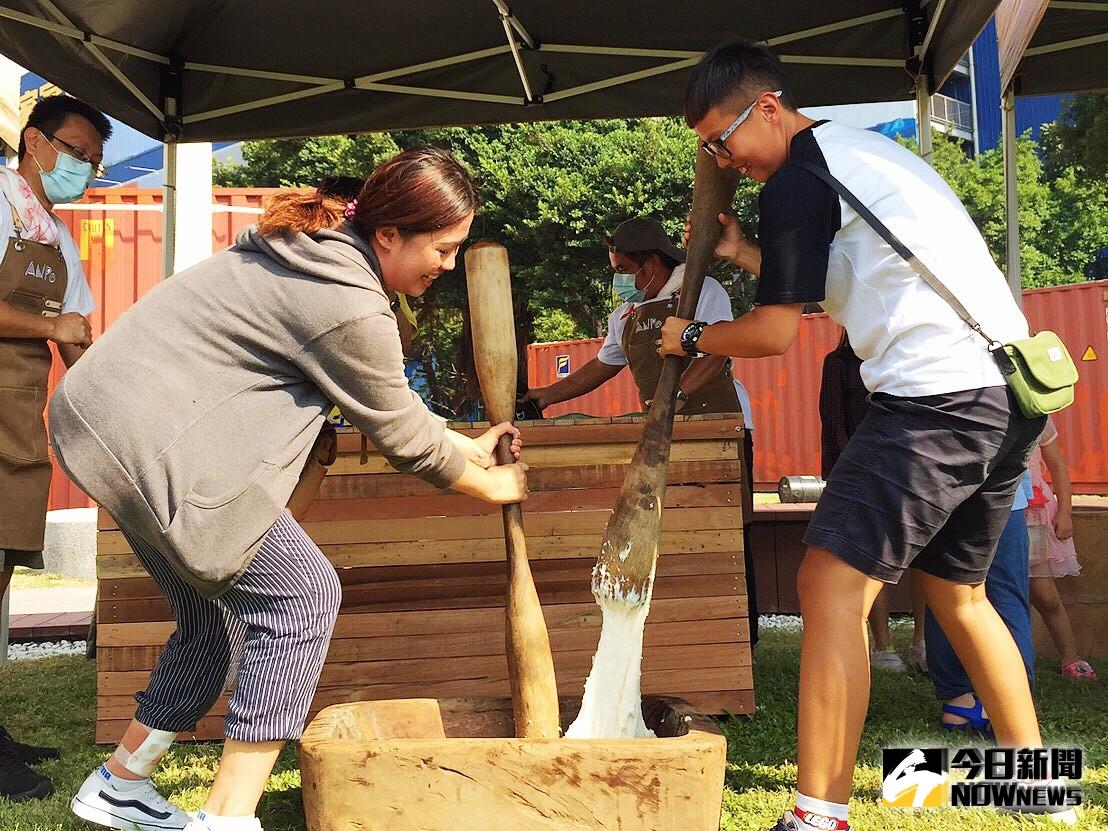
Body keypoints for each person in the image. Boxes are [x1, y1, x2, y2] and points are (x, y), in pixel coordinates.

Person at [50, 147, 529, 831]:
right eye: (443, 248)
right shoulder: (348, 297)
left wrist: (467, 445)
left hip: (105, 431)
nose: (448, 266)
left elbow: (388, 406)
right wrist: (493, 488)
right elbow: (401, 437)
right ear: (389, 235)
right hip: (149, 444)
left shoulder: (318, 256)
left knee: (211, 622)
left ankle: (121, 781)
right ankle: (227, 818)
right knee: (303, 594)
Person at [661, 40, 1064, 830]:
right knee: (959, 592)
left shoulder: (796, 183)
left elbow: (776, 334)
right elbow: (849, 284)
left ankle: (818, 814)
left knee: (827, 585)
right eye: (708, 147)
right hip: (1004, 390)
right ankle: (1036, 788)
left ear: (767, 108)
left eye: (723, 138)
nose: (721, 157)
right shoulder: (857, 151)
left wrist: (693, 338)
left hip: (935, 397)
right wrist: (747, 251)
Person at [522, 216, 760, 648]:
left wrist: (676, 398)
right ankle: (687, 630)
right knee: (680, 529)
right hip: (664, 433)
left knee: (731, 528)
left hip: (721, 424)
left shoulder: (700, 290)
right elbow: (599, 368)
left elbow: (720, 348)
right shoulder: (626, 314)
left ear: (651, 262)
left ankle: (744, 638)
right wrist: (543, 396)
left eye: (625, 269)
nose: (621, 280)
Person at [0, 94, 110, 802]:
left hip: (15, 429)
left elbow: (81, 340)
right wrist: (52, 328)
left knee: (5, 581)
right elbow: (60, 327)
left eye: (95, 162)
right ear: (34, 142)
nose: (87, 169)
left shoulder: (58, 237)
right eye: (77, 152)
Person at [818, 332, 927, 673]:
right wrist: (849, 474)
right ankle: (884, 646)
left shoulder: (904, 355)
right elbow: (834, 423)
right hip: (861, 471)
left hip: (909, 467)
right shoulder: (838, 364)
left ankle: (921, 641)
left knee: (921, 558)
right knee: (870, 558)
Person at [924, 474, 1036, 735]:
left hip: (940, 493)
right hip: (1001, 493)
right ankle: (1010, 710)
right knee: (1008, 599)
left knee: (944, 592)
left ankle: (957, 704)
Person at [1027, 417, 1096, 680]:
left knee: (1045, 594)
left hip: (1033, 514)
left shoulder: (1038, 416)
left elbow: (1057, 464)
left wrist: (1065, 511)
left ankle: (1070, 657)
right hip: (995, 513)